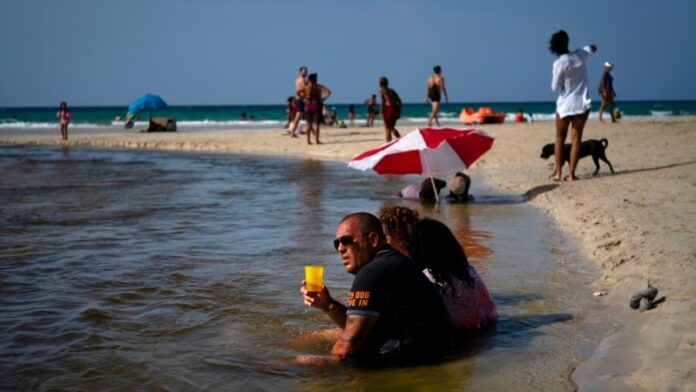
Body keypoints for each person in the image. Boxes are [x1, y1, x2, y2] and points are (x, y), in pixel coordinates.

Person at [300, 212, 453, 364]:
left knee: (303, 361)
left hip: (413, 365)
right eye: (337, 243)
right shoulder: (393, 262)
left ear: (373, 239)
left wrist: (291, 368)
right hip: (435, 357)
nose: (340, 248)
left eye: (346, 241)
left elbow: (348, 346)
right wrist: (328, 304)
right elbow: (358, 329)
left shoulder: (372, 272)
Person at [408, 218, 497, 332]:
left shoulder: (427, 279)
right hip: (476, 333)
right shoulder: (469, 271)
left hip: (450, 339)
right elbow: (491, 312)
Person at [549, 30, 597, 182]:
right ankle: (571, 174)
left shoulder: (559, 63)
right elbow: (593, 48)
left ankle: (558, 172)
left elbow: (555, 87)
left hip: (565, 105)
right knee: (577, 139)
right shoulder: (581, 55)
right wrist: (591, 46)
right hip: (582, 103)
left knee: (559, 138)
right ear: (567, 42)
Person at [299, 73, 331, 145]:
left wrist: (303, 98)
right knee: (316, 124)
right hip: (316, 105)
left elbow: (298, 92)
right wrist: (323, 99)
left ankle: (308, 141)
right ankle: (316, 141)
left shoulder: (306, 87)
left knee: (308, 124)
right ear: (315, 80)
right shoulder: (319, 87)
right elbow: (329, 92)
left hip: (307, 105)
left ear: (309, 80)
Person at [378, 76, 402, 142]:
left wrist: (381, 112)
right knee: (391, 127)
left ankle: (388, 144)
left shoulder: (382, 91)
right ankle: (400, 139)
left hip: (389, 109)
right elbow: (399, 101)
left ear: (380, 84)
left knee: (387, 128)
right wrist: (398, 112)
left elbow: (382, 103)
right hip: (395, 108)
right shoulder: (392, 90)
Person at [289, 66, 308, 137]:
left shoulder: (297, 79)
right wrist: (305, 97)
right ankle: (293, 132)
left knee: (300, 116)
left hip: (298, 99)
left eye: (306, 71)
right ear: (300, 72)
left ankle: (294, 131)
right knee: (298, 116)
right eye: (305, 71)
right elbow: (302, 89)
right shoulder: (302, 79)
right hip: (301, 99)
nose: (306, 72)